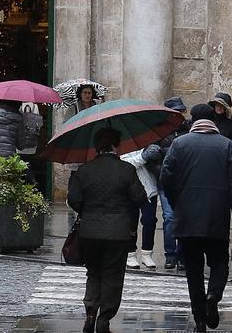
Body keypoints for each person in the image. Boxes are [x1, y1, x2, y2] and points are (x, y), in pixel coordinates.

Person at [160, 103, 232, 332]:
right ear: (213, 121)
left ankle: (199, 317)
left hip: (187, 217)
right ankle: (214, 295)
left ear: (192, 121)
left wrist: (177, 200)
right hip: (217, 216)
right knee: (219, 262)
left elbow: (165, 177)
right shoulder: (227, 146)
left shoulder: (179, 144)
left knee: (193, 270)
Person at [68, 127, 148, 333]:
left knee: (93, 272)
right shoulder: (126, 170)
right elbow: (139, 197)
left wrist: (88, 211)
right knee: (113, 275)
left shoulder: (84, 171)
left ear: (97, 147)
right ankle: (105, 318)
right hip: (118, 231)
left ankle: (90, 312)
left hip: (89, 231)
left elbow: (74, 199)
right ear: (116, 146)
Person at [157, 96, 189, 269]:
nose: (180, 114)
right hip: (166, 181)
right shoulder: (159, 132)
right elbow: (152, 157)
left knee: (184, 218)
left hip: (184, 182)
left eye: (182, 111)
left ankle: (182, 254)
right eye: (177, 111)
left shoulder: (188, 130)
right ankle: (170, 255)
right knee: (169, 217)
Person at [121, 145, 160, 269]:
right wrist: (143, 157)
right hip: (129, 190)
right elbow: (126, 165)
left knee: (149, 221)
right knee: (131, 222)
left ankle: (147, 253)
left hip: (149, 189)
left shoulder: (148, 142)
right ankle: (130, 253)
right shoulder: (123, 144)